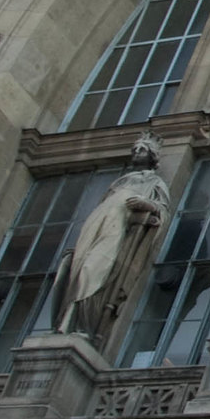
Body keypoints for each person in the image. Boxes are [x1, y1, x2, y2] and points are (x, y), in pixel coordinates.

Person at [54, 132, 172, 345]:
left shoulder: (154, 182)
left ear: (152, 156)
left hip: (117, 232)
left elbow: (161, 211)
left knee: (94, 271)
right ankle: (67, 323)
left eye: (142, 149)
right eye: (135, 149)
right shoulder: (120, 182)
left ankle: (85, 326)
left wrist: (148, 205)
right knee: (78, 270)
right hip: (96, 227)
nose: (136, 153)